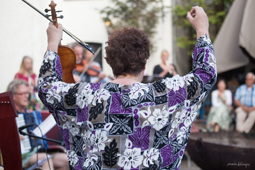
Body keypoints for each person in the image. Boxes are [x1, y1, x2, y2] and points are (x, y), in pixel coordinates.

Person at [38, 6, 216, 170]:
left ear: (110, 62)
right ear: (145, 63)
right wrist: (202, 30)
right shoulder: (166, 94)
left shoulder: (87, 95)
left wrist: (53, 43)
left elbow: (47, 86)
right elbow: (206, 74)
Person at [7, 79, 69, 170]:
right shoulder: (7, 116)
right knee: (45, 158)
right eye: (22, 94)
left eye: (27, 93)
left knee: (67, 160)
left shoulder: (29, 113)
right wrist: (13, 137)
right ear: (13, 97)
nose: (26, 96)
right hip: (20, 157)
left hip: (37, 152)